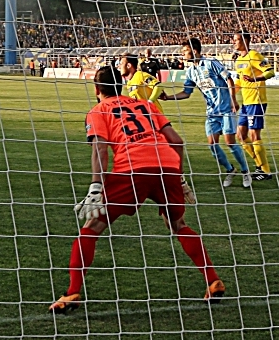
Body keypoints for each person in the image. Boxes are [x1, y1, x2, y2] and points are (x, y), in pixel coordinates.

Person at [50, 65, 224, 313]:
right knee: (178, 225)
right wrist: (180, 179)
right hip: (166, 167)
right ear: (120, 85)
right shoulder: (147, 105)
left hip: (132, 170)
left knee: (91, 228)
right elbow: (176, 141)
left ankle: (73, 292)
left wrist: (95, 187)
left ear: (97, 88)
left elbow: (100, 149)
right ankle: (213, 280)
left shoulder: (98, 110)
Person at [177, 38, 252, 187]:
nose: (183, 54)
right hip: (211, 113)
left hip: (226, 109)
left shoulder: (211, 63)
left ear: (195, 51)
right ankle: (230, 170)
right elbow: (186, 93)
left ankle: (245, 172)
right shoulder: (191, 71)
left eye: (185, 51)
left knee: (230, 142)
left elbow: (229, 80)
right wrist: (167, 97)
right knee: (212, 144)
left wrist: (233, 100)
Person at [232, 33, 273, 182]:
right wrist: (229, 94)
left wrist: (256, 78)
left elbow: (270, 72)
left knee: (255, 135)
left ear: (246, 41)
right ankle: (259, 166)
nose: (234, 42)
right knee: (240, 136)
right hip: (246, 102)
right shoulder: (238, 61)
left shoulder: (254, 55)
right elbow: (239, 82)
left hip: (257, 101)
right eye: (234, 40)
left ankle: (266, 171)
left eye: (237, 40)